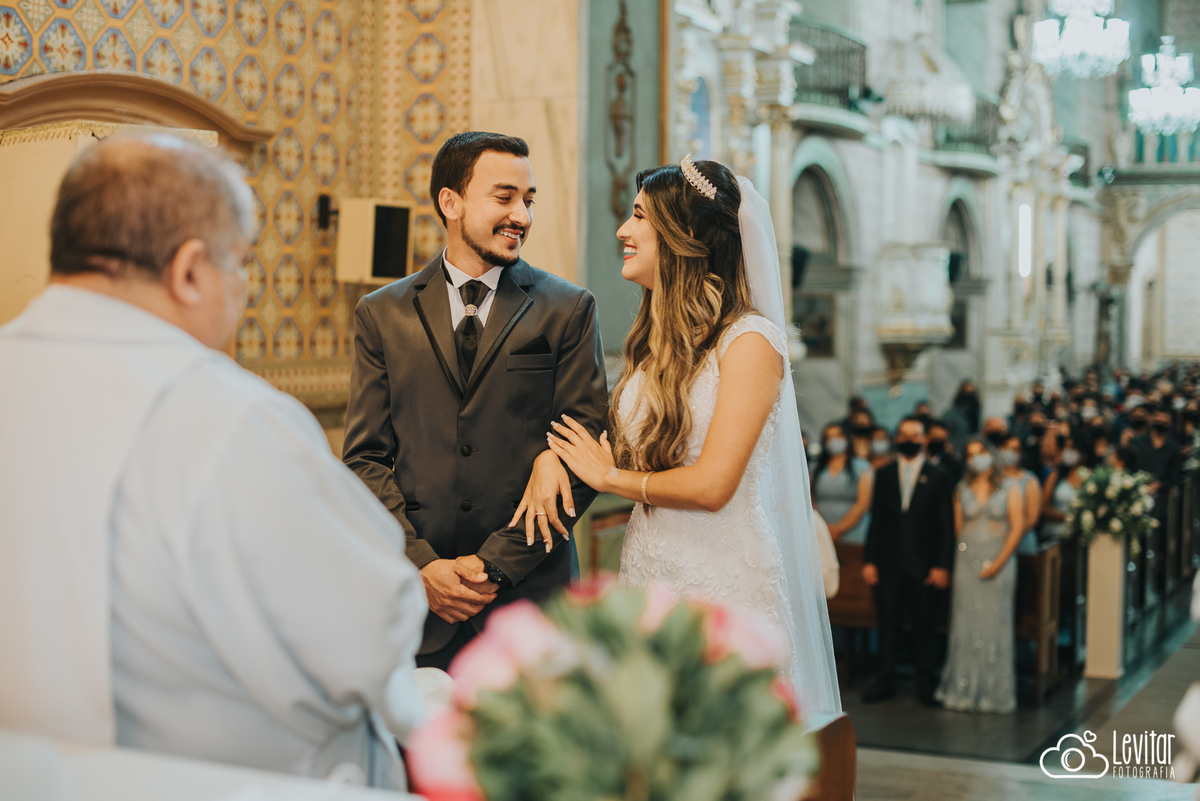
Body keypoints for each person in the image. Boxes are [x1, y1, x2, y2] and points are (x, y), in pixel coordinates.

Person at [0, 135, 427, 786]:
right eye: (241, 261)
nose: (242, 284)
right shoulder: (232, 420)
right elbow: (371, 633)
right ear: (190, 271)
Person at [545, 156, 841, 715]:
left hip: (725, 578)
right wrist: (549, 461)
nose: (623, 231)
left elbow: (713, 485)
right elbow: (611, 438)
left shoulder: (751, 340)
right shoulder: (656, 343)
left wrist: (609, 478)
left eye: (639, 217)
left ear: (683, 235)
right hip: (649, 565)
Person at [342, 132, 608, 670]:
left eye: (528, 200)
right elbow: (365, 459)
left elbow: (585, 457)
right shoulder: (382, 314)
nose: (522, 216)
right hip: (416, 606)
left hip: (528, 602)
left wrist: (492, 568)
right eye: (504, 197)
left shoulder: (568, 309)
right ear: (451, 202)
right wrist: (421, 564)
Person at [861, 417, 955, 705]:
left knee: (923, 627)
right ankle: (884, 681)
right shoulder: (885, 473)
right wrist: (869, 560)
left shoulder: (937, 475)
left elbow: (945, 526)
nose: (908, 439)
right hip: (889, 562)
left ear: (924, 440)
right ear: (896, 439)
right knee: (887, 624)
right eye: (902, 435)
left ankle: (926, 686)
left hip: (923, 564)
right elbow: (876, 520)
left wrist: (942, 565)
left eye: (914, 435)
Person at [935, 438, 1024, 713]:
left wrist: (998, 563)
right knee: (966, 622)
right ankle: (963, 689)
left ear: (991, 454)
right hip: (967, 560)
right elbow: (957, 529)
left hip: (1000, 558)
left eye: (981, 452)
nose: (977, 459)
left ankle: (993, 693)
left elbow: (1018, 527)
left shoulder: (1010, 486)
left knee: (994, 624)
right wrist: (959, 563)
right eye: (971, 454)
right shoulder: (961, 489)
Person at [811, 423, 874, 545]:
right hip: (820, 532)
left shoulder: (861, 466)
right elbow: (810, 499)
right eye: (829, 437)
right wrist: (825, 528)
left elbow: (863, 503)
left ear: (847, 438)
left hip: (854, 534)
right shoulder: (815, 467)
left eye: (838, 436)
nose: (834, 440)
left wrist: (838, 529)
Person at [998, 434, 1042, 554]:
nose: (1009, 452)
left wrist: (1011, 536)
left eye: (1015, 449)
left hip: (1022, 543)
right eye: (1006, 447)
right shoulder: (992, 478)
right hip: (995, 541)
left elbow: (1032, 518)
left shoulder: (1029, 479)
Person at [1042, 436, 1087, 542]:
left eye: (1072, 448)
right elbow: (1044, 507)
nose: (1068, 452)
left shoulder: (1088, 478)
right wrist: (1067, 518)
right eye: (1066, 448)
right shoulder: (1055, 476)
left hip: (1079, 536)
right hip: (1054, 535)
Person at [926, 419, 963, 488]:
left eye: (941, 439)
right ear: (926, 437)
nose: (937, 442)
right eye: (935, 438)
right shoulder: (918, 460)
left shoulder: (952, 465)